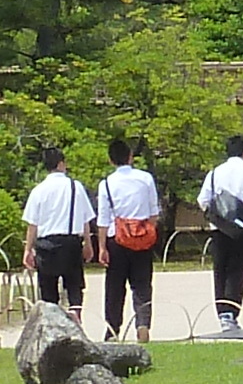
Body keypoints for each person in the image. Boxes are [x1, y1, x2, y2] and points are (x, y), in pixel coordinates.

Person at [197, 131, 243, 335]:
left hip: (219, 230)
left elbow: (202, 200)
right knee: (238, 270)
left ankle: (222, 313)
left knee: (220, 270)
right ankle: (232, 312)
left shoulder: (214, 173)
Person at [98, 133, 164, 343]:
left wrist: (102, 247)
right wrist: (146, 230)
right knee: (143, 285)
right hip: (143, 236)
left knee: (115, 287)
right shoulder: (145, 179)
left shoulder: (106, 183)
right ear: (130, 157)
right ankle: (143, 323)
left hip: (116, 239)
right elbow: (154, 212)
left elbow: (103, 219)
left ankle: (113, 328)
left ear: (111, 160)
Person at [20, 144, 99, 314]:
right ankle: (75, 314)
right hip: (71, 242)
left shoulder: (38, 190)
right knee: (74, 286)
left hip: (46, 244)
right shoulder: (75, 187)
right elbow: (85, 219)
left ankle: (53, 321)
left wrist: (28, 249)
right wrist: (88, 244)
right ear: (61, 164)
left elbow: (32, 224)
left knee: (48, 292)